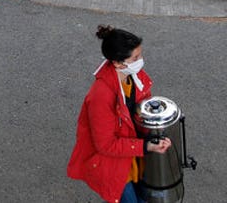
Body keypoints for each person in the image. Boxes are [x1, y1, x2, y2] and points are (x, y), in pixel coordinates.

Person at [68, 25, 171, 203]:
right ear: (117, 63)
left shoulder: (135, 77)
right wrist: (146, 146)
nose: (141, 61)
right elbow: (106, 145)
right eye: (136, 58)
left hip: (134, 159)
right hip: (116, 167)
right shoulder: (100, 96)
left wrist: (156, 134)